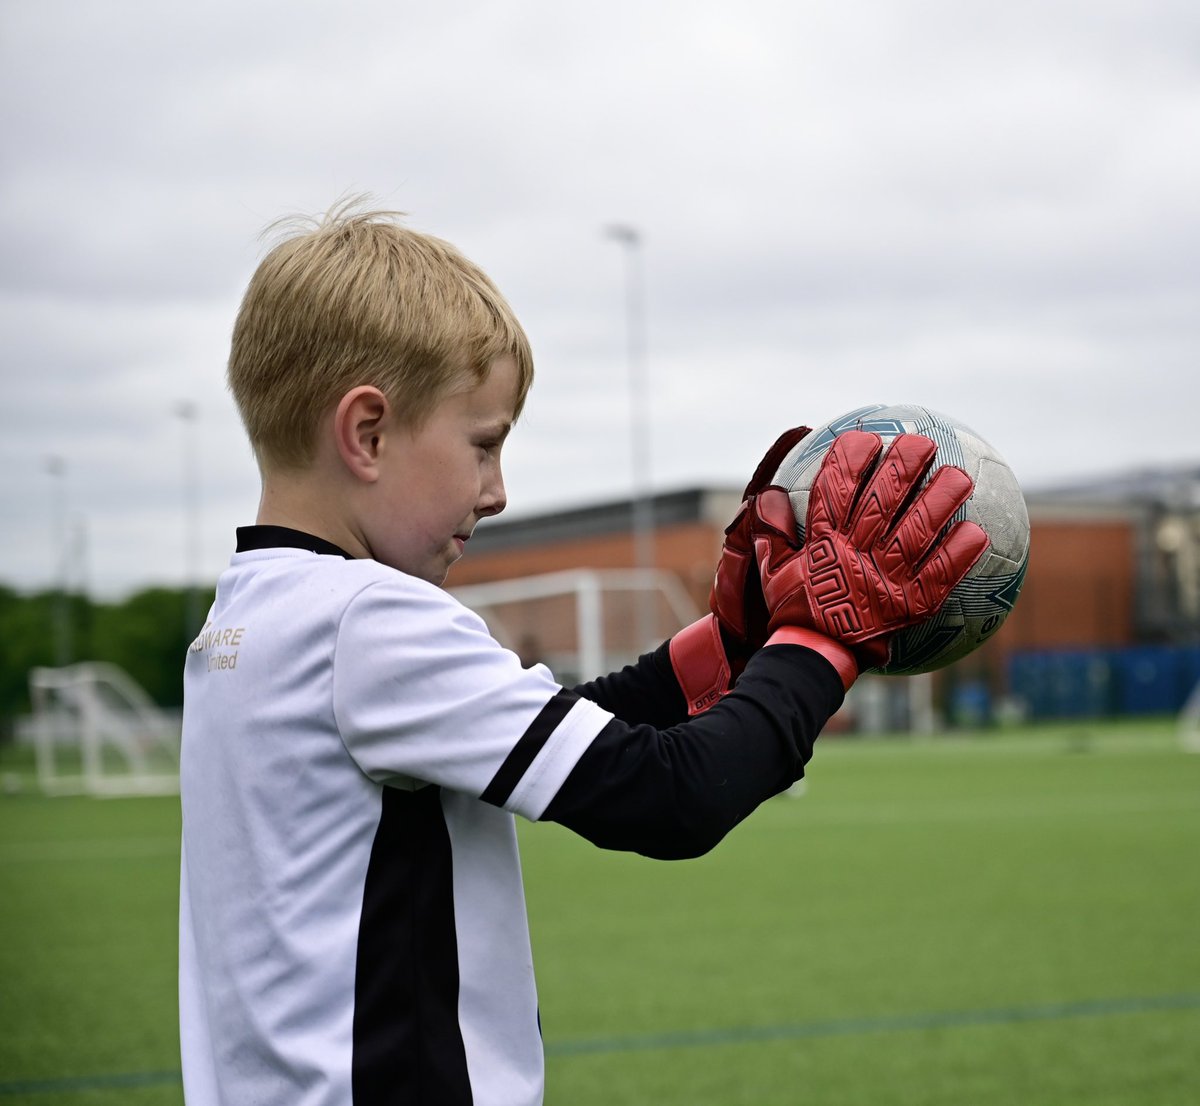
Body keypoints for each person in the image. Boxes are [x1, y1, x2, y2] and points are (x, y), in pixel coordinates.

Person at [178, 202, 987, 1106]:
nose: (497, 492)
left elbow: (567, 733)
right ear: (366, 433)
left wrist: (727, 648)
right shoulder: (364, 620)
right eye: (483, 445)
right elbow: (672, 797)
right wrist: (825, 637)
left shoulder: (247, 618)